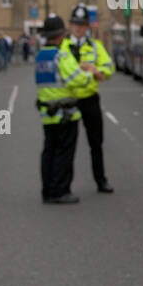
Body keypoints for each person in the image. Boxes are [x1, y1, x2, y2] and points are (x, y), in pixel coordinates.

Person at [36, 14, 96, 204]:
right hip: (65, 113)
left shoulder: (41, 56)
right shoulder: (62, 55)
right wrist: (90, 75)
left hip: (47, 113)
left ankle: (47, 190)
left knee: (49, 152)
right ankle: (60, 191)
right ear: (61, 35)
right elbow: (75, 79)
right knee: (64, 154)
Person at [66, 5, 115, 193]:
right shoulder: (63, 46)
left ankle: (101, 180)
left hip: (89, 100)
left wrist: (97, 71)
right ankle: (66, 186)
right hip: (69, 100)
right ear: (70, 25)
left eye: (82, 24)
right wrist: (82, 68)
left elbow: (108, 67)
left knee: (96, 143)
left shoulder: (96, 46)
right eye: (76, 24)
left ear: (88, 27)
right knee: (68, 145)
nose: (79, 28)